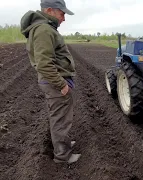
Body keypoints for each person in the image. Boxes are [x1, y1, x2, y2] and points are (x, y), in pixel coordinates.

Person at [20, 0, 81, 164]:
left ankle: (64, 144)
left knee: (61, 115)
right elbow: (44, 63)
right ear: (49, 10)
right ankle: (62, 155)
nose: (63, 18)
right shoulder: (44, 30)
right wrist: (62, 84)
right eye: (62, 13)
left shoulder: (45, 28)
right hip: (55, 82)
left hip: (54, 80)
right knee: (60, 118)